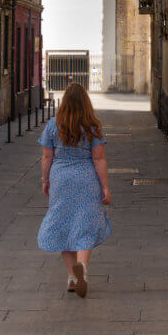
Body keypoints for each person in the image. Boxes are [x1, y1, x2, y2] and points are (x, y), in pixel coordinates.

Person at [37, 82, 112, 298]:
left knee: (64, 226)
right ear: (86, 103)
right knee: (85, 227)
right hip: (86, 179)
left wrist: (45, 180)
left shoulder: (53, 125)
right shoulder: (92, 126)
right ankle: (83, 268)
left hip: (61, 178)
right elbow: (98, 158)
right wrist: (105, 187)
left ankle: (71, 277)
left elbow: (46, 157)